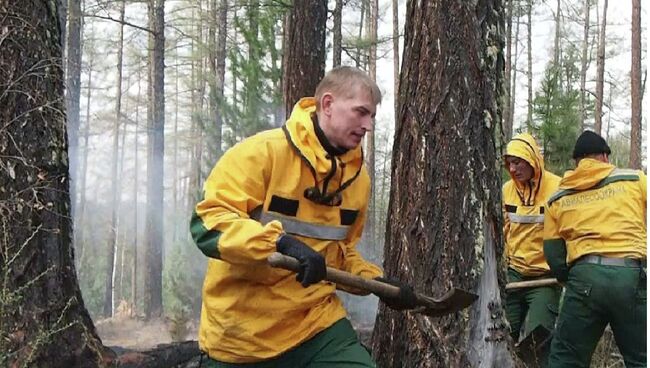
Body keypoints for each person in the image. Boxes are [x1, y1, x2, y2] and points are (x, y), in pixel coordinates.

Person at [190, 66, 417, 367]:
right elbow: (207, 224)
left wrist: (377, 283)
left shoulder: (357, 180)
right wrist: (280, 243)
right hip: (241, 335)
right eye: (361, 112)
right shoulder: (262, 153)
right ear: (327, 105)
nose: (368, 125)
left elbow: (341, 252)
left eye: (371, 116)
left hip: (316, 324)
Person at [543, 130, 647, 368]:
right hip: (630, 275)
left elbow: (553, 254)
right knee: (643, 358)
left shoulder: (556, 198)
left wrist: (572, 281)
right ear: (604, 157)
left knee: (566, 360)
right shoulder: (635, 180)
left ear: (577, 163)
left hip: (584, 279)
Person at [502, 133, 561, 366]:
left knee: (538, 344)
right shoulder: (507, 190)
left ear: (533, 160)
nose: (513, 168)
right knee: (503, 336)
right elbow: (501, 230)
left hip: (545, 280)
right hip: (513, 276)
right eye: (509, 163)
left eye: (518, 162)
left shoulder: (557, 187)